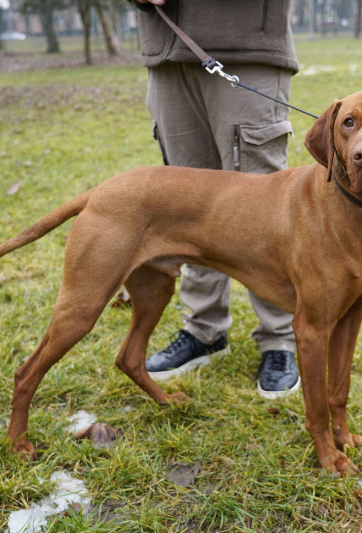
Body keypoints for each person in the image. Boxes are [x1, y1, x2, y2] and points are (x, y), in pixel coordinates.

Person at [132, 0, 300, 398]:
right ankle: (204, 329)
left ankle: (279, 338)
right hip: (167, 51)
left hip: (246, 49)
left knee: (263, 210)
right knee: (187, 208)